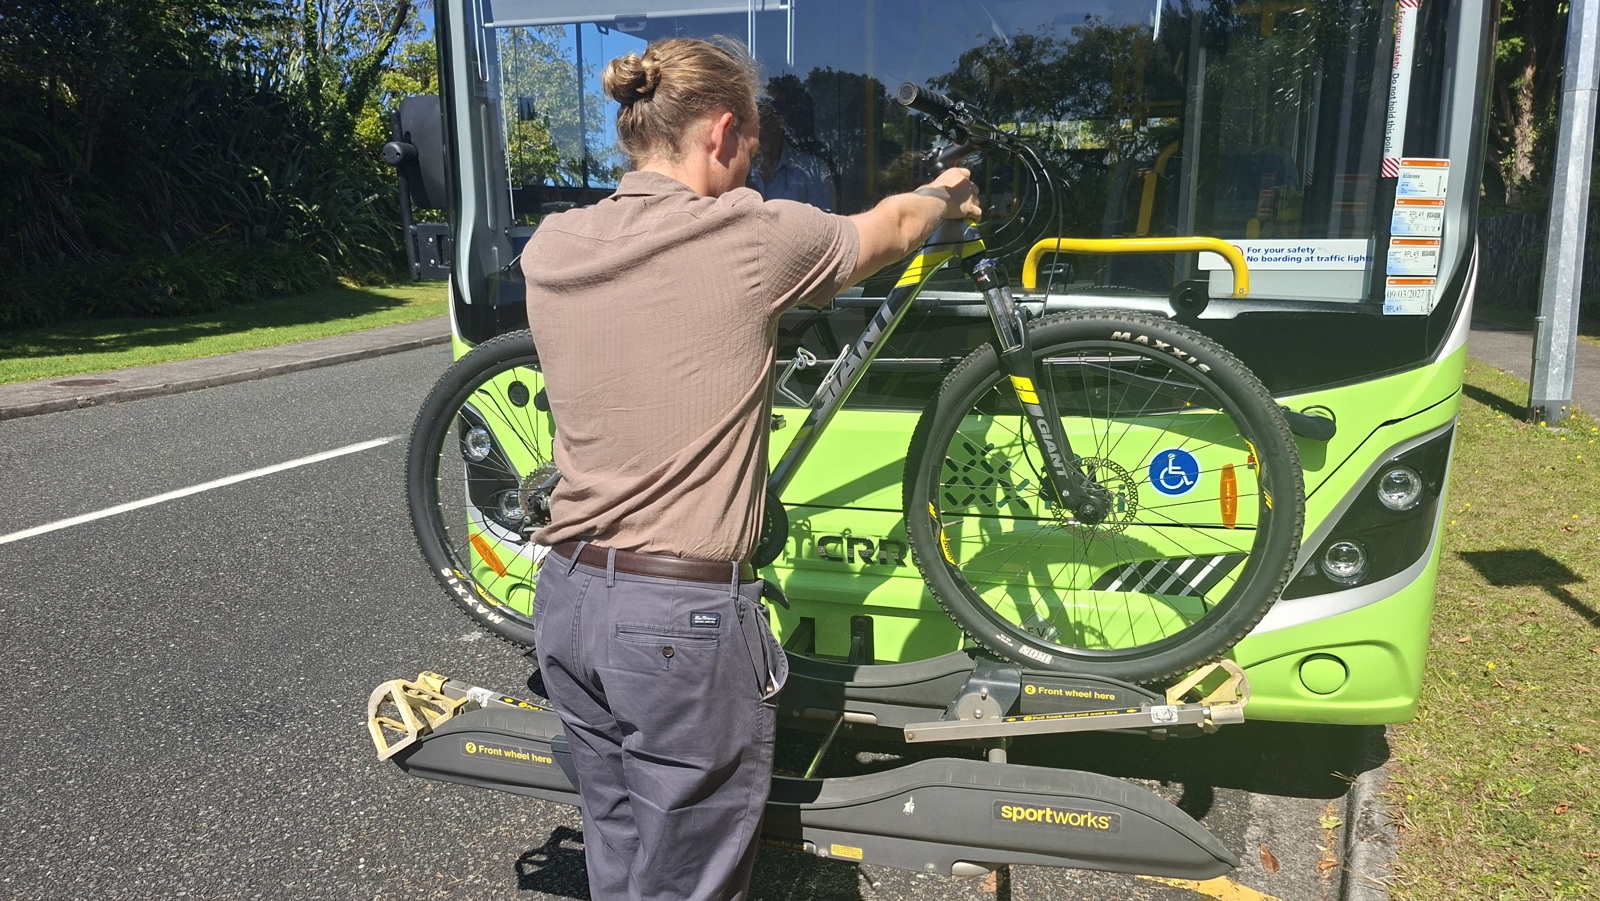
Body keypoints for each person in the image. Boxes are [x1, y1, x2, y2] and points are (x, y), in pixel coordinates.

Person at [519, 36, 979, 901]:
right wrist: (945, 190)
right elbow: (895, 227)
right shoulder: (749, 238)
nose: (752, 167)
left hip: (568, 599)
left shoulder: (554, 245)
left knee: (620, 858)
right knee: (690, 879)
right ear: (723, 132)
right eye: (755, 149)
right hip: (676, 621)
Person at [749, 94, 836, 210]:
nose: (764, 121)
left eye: (773, 110)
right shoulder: (735, 166)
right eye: (759, 109)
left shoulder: (815, 172)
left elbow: (826, 226)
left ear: (783, 119)